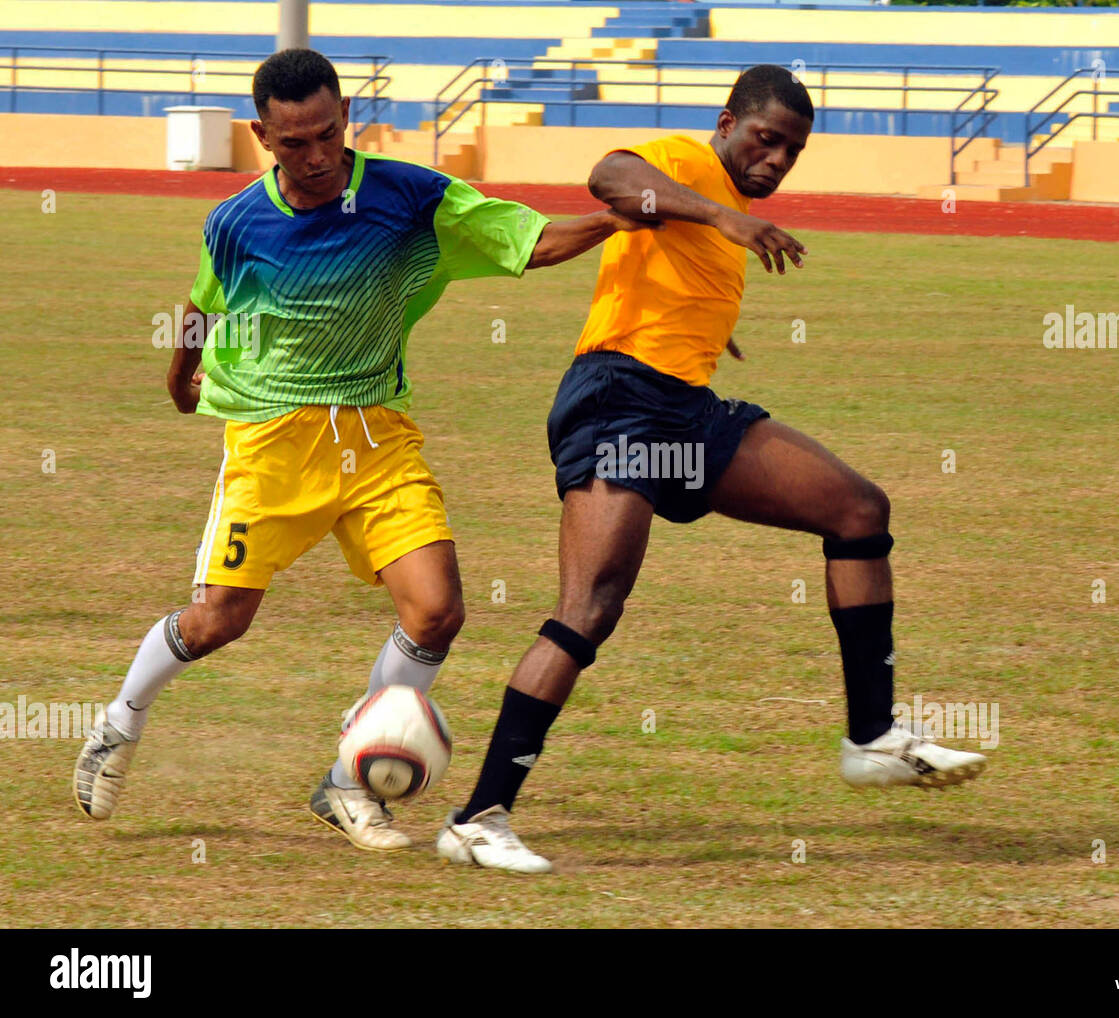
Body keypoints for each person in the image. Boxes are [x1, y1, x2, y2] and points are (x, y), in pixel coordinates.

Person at [73, 48, 647, 851]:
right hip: (272, 443)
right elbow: (203, 304)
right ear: (261, 135)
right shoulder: (236, 222)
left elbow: (529, 240)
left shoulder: (410, 197)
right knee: (215, 623)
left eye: (329, 135)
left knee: (438, 610)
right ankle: (119, 722)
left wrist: (623, 218)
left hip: (376, 435)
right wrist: (180, 377)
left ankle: (346, 784)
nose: (315, 158)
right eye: (293, 143)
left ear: (347, 117)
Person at [437, 65, 989, 874]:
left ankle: (871, 736)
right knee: (590, 608)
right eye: (765, 139)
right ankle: (478, 819)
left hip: (686, 409)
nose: (775, 161)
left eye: (792, 152)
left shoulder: (717, 218)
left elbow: (670, 282)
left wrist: (705, 315)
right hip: (618, 402)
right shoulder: (691, 168)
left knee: (859, 511)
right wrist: (728, 217)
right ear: (726, 122)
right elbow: (613, 177)